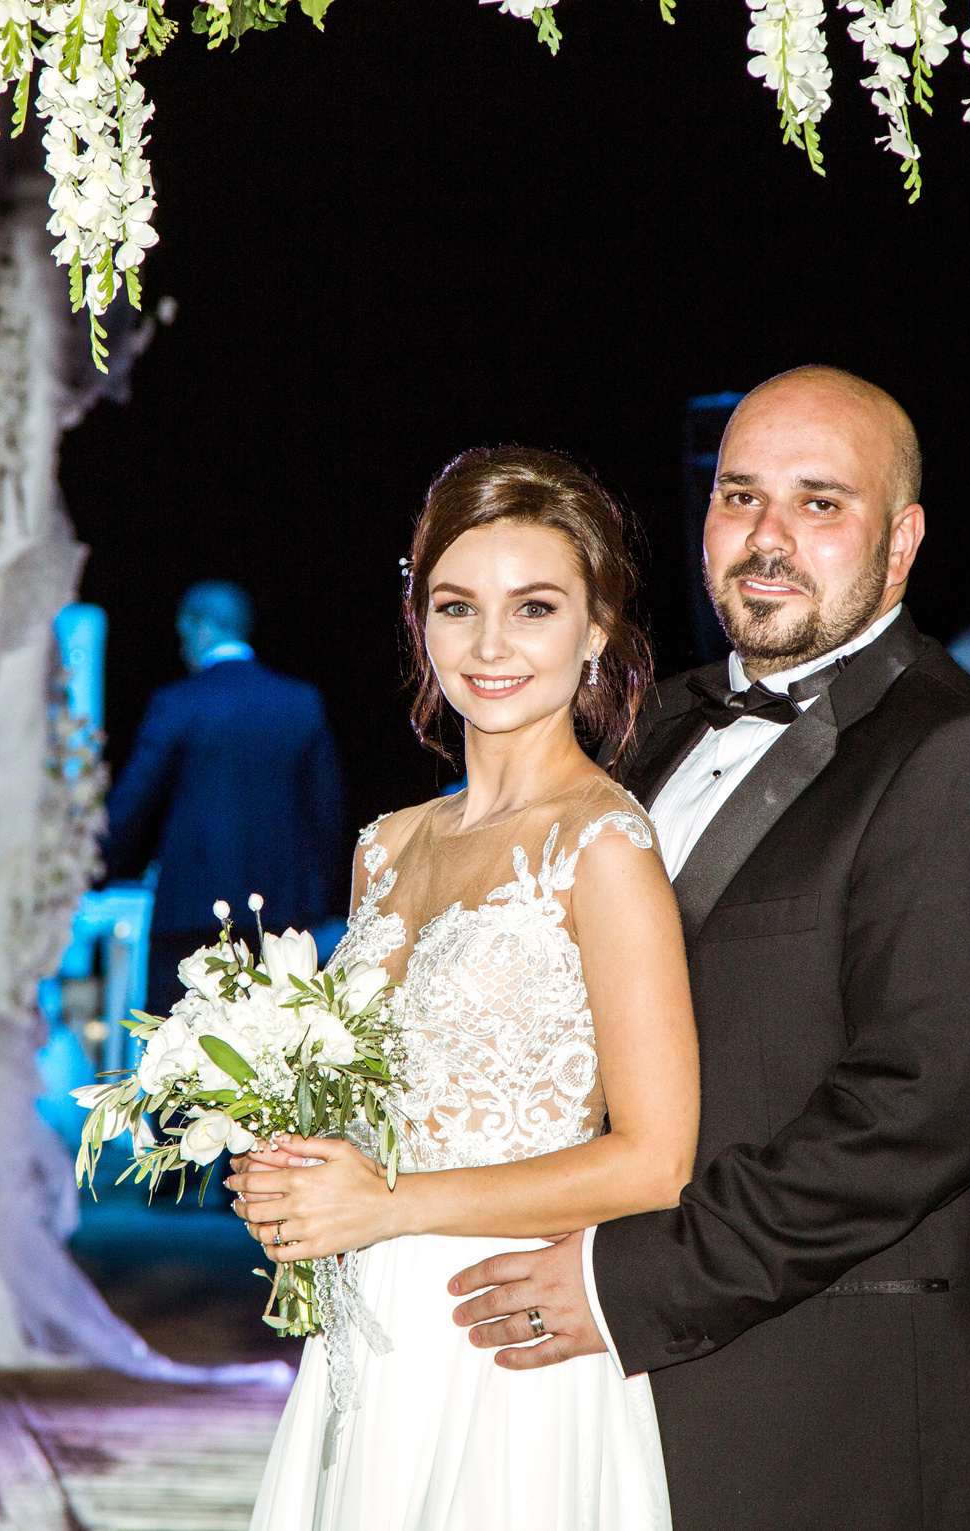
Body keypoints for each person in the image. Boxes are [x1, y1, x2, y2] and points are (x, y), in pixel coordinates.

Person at [406, 366, 970, 1528]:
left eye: (820, 504)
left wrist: (629, 1282)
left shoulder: (961, 760)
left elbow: (912, 1114)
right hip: (595, 1407)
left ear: (902, 540)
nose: (767, 538)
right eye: (739, 497)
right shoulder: (644, 729)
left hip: (836, 1409)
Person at [230, 447, 695, 1527]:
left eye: (533, 609)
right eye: (456, 606)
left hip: (506, 1335)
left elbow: (657, 1161)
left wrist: (388, 1206)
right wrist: (290, 1168)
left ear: (595, 634)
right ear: (417, 620)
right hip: (366, 1336)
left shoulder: (605, 847)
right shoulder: (388, 845)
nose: (489, 646)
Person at [103, 581, 345, 1012]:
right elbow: (327, 814)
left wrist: (96, 867)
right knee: (280, 1055)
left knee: (183, 1057)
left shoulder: (179, 702)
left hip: (190, 918)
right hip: (285, 921)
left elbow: (134, 802)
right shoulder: (300, 703)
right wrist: (321, 901)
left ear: (200, 630)